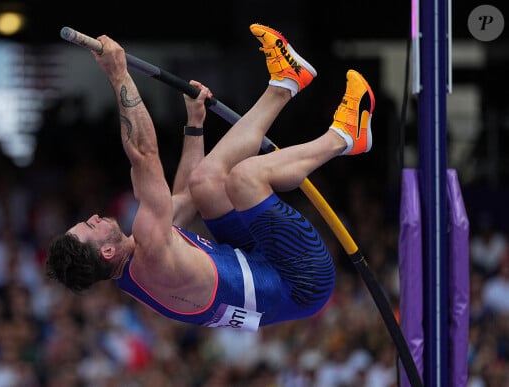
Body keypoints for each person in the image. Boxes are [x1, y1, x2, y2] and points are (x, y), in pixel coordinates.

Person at [46, 23, 375, 332]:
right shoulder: (151, 256)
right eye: (90, 226)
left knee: (204, 183)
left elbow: (185, 199)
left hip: (258, 262)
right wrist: (118, 75)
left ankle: (286, 82)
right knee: (245, 178)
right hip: (302, 281)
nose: (92, 217)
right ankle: (344, 138)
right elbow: (143, 154)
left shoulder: (137, 259)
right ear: (105, 252)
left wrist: (194, 124)